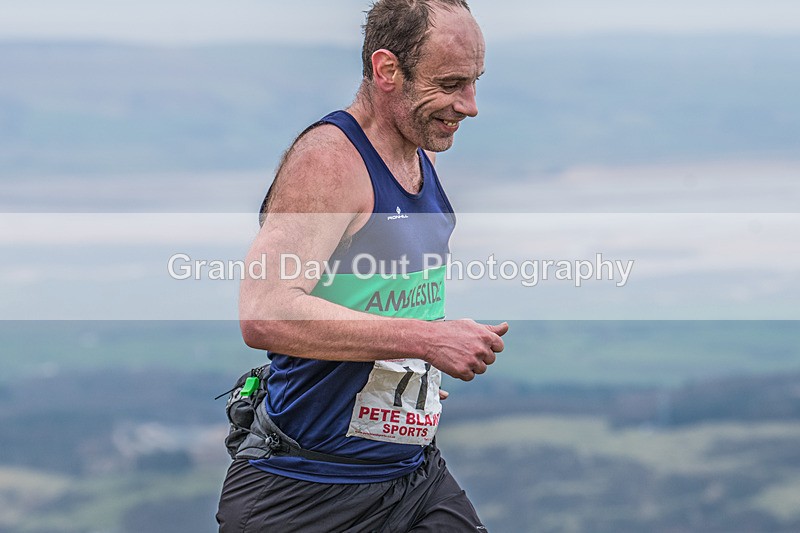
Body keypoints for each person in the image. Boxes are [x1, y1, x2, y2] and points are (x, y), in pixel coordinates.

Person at [216, 0, 508, 531]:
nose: (470, 105)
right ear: (387, 70)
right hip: (304, 491)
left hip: (411, 476)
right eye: (450, 84)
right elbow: (264, 313)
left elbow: (372, 294)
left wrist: (401, 371)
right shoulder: (328, 162)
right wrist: (427, 342)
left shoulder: (420, 151)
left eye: (475, 82)